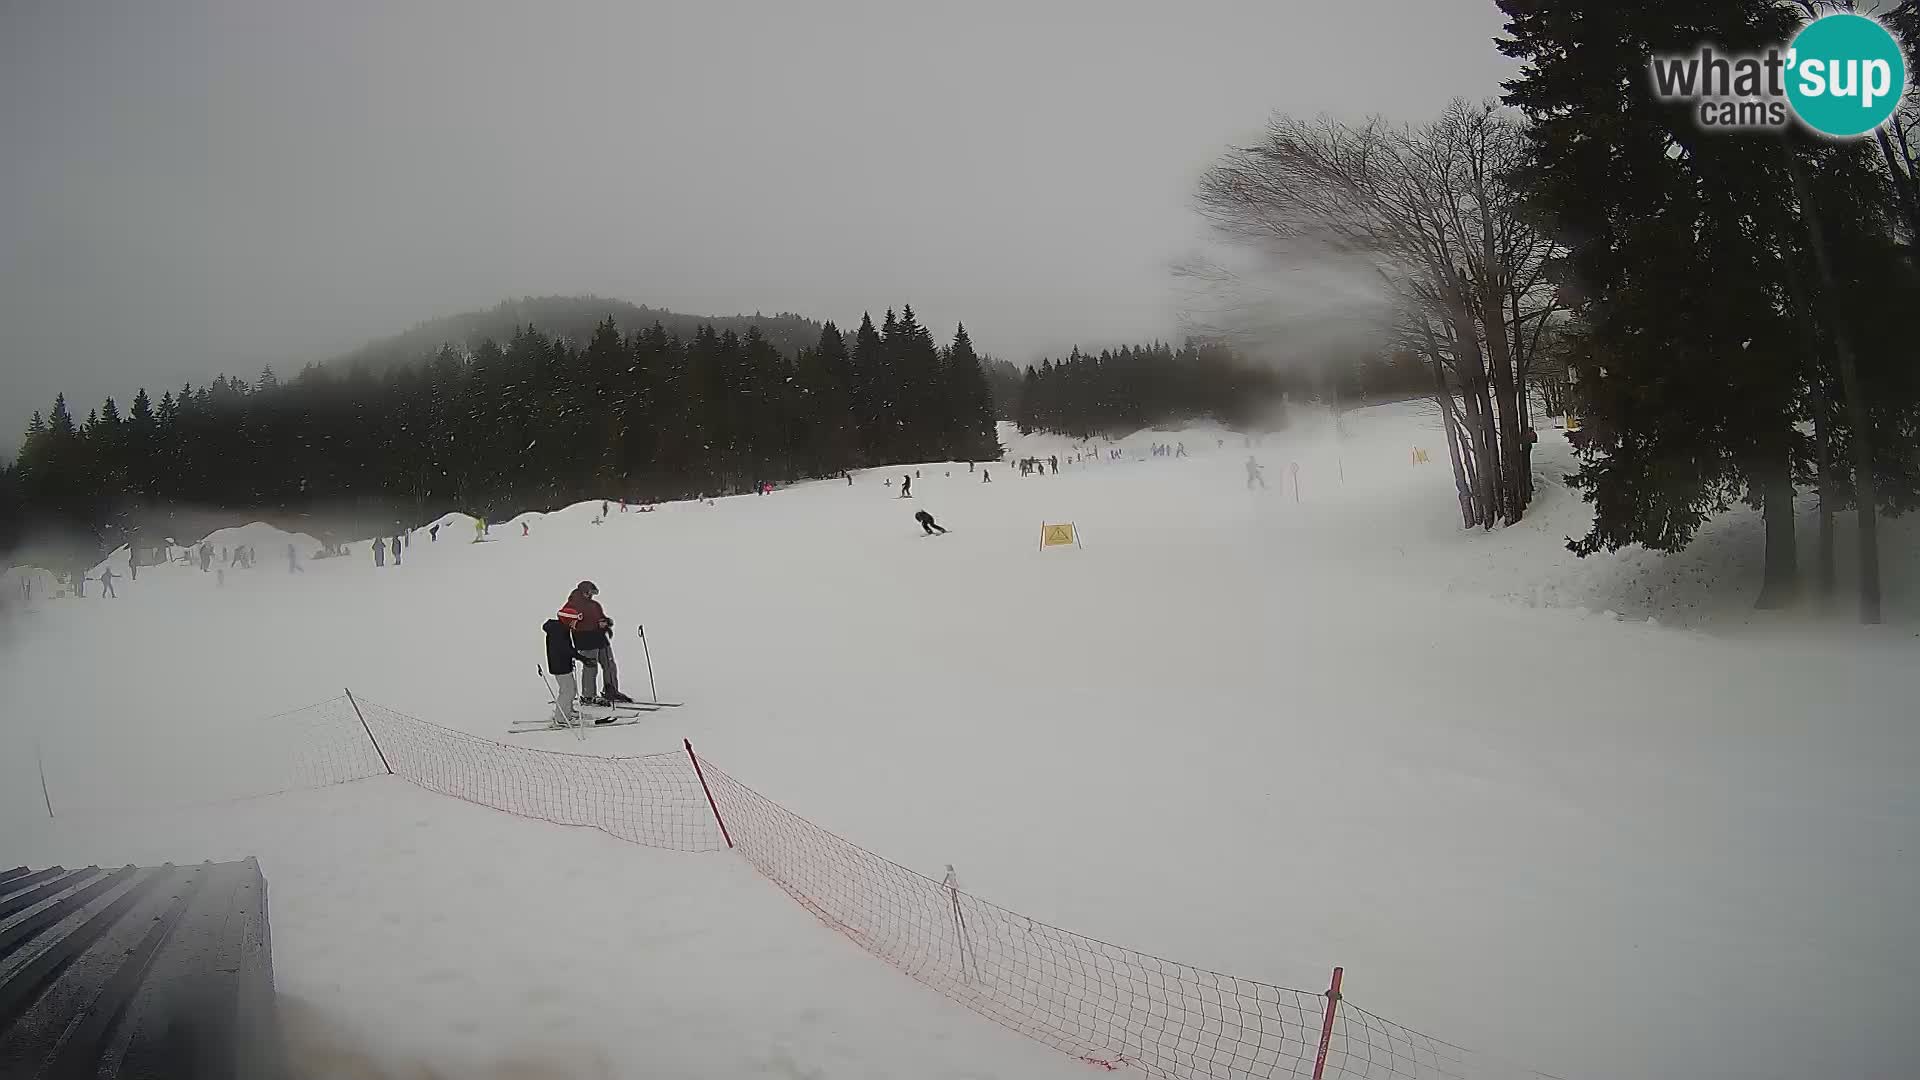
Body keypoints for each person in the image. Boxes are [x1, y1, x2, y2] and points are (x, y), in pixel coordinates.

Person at [558, 580, 633, 705]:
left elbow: (600, 617)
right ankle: (588, 696)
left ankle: (611, 690)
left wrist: (606, 622)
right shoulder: (573, 604)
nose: (591, 595)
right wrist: (594, 624)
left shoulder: (594, 605)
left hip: (600, 637)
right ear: (584, 591)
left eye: (592, 593)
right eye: (589, 592)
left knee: (609, 664)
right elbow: (568, 619)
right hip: (585, 639)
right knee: (590, 667)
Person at [543, 617, 588, 728]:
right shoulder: (558, 631)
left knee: (571, 690)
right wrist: (581, 658)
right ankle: (561, 718)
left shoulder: (562, 629)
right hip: (559, 666)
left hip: (563, 664)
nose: (576, 624)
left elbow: (567, 648)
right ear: (568, 620)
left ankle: (568, 711)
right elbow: (565, 649)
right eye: (574, 621)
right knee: (567, 691)